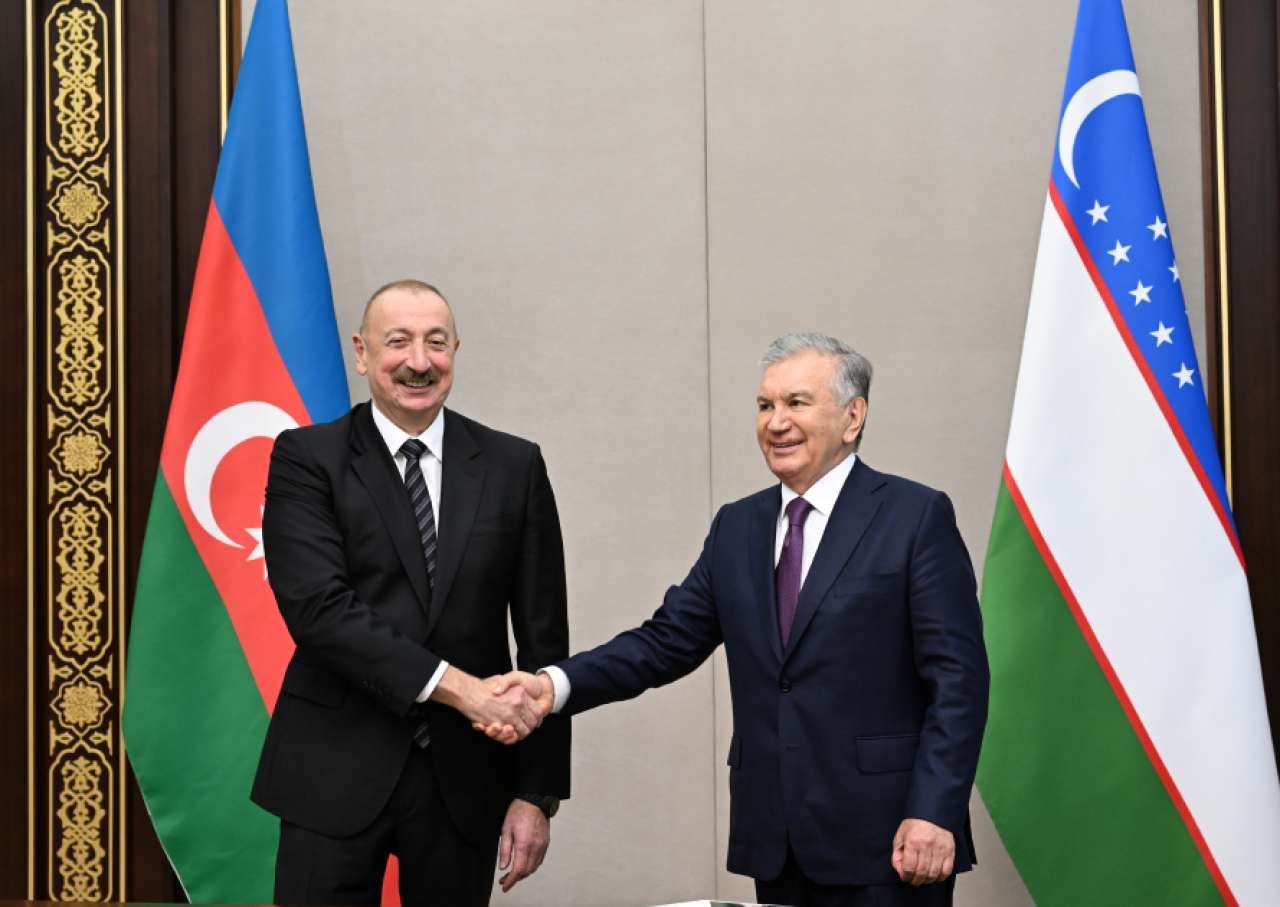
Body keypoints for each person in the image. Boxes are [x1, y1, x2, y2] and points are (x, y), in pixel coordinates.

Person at [484, 333, 988, 906]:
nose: (776, 422)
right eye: (765, 405)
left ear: (853, 417)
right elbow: (664, 642)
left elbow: (959, 681)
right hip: (776, 836)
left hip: (891, 839)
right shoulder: (737, 526)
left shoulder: (915, 515)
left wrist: (934, 810)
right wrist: (552, 687)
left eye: (796, 403)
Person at [251, 280, 570, 907]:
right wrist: (460, 688)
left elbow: (544, 639)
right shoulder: (307, 458)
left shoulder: (514, 466)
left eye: (436, 343)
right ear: (362, 352)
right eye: (398, 341)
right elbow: (320, 611)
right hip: (332, 769)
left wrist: (536, 793)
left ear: (456, 351)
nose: (419, 362)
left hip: (465, 781)